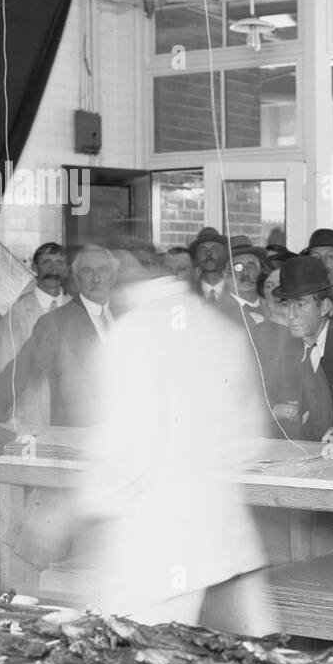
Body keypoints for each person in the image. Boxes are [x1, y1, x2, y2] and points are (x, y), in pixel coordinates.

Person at [76, 263, 279, 630]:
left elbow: (125, 447)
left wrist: (81, 506)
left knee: (133, 659)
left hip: (157, 542)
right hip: (223, 540)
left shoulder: (133, 332)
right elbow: (248, 441)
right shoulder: (221, 329)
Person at [11, 244, 117, 428]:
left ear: (114, 277)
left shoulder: (128, 315)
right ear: (75, 277)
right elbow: (18, 377)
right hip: (80, 433)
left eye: (103, 270)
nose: (96, 278)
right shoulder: (55, 322)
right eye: (87, 271)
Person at [272, 255, 333, 441]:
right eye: (287, 305)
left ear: (324, 307)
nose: (291, 315)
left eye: (300, 304)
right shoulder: (283, 351)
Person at [0, 242, 69, 423]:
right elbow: (3, 369)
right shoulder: (16, 314)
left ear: (66, 269)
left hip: (69, 411)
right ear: (35, 267)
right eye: (47, 262)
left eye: (59, 263)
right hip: (29, 412)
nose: (53, 269)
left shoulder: (75, 310)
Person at [188, 226, 230, 302]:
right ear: (196, 257)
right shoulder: (188, 293)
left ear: (224, 254)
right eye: (202, 250)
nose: (208, 254)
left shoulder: (236, 291)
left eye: (215, 249)